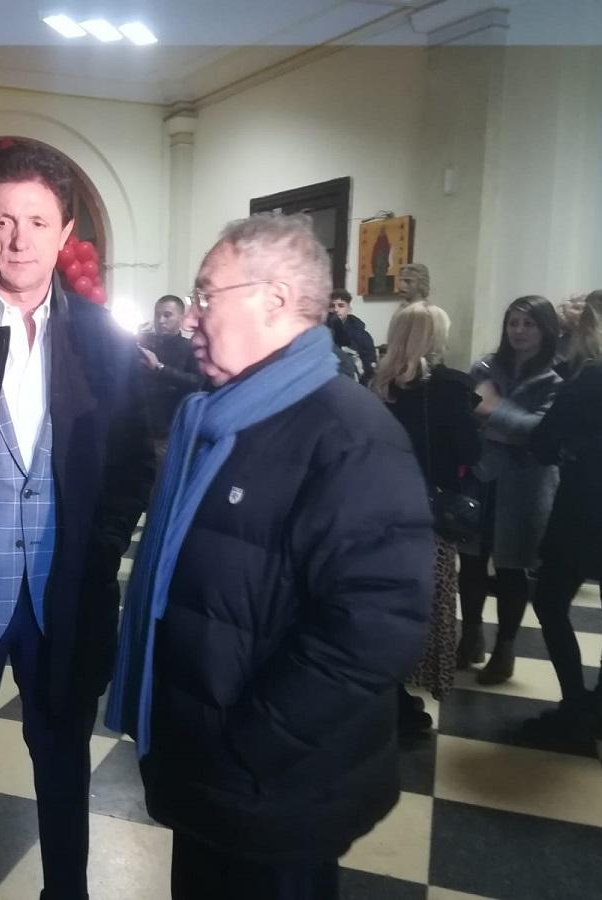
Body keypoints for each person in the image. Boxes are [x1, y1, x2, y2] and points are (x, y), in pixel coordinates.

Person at [107, 213, 433, 900]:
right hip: (209, 767)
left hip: (274, 784)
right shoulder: (221, 417)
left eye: (206, 295)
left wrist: (248, 743)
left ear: (276, 300)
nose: (191, 317)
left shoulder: (348, 435)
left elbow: (376, 628)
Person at [0, 142, 154, 900]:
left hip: (64, 599)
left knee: (64, 766)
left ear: (65, 230)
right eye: (2, 221)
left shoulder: (104, 340)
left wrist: (97, 550)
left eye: (38, 222)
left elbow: (131, 465)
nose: (19, 240)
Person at [524, 289, 602, 745]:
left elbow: (542, 445)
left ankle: (575, 704)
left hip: (585, 506)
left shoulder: (590, 380)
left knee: (550, 600)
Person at [372, 303, 480, 735]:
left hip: (381, 512)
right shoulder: (451, 388)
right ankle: (403, 702)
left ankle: (387, 695)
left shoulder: (377, 387)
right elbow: (470, 452)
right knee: (424, 609)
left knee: (384, 607)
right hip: (428, 514)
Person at [458, 296, 561, 683]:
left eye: (528, 324)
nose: (518, 331)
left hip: (524, 485)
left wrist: (493, 410)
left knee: (511, 569)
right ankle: (470, 638)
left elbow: (541, 432)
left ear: (545, 330)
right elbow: (466, 411)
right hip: (481, 476)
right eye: (513, 323)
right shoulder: (485, 367)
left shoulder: (555, 379)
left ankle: (505, 649)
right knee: (470, 561)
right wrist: (504, 422)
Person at [137, 294, 206, 460]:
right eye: (157, 315)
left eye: (167, 315)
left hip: (168, 432)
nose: (161, 321)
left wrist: (160, 368)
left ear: (181, 318)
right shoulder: (144, 343)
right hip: (137, 427)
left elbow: (198, 383)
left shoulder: (190, 348)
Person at [327, 288, 377, 383]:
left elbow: (369, 366)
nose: (336, 310)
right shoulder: (321, 332)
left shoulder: (361, 334)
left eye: (341, 306)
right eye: (332, 306)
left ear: (349, 309)